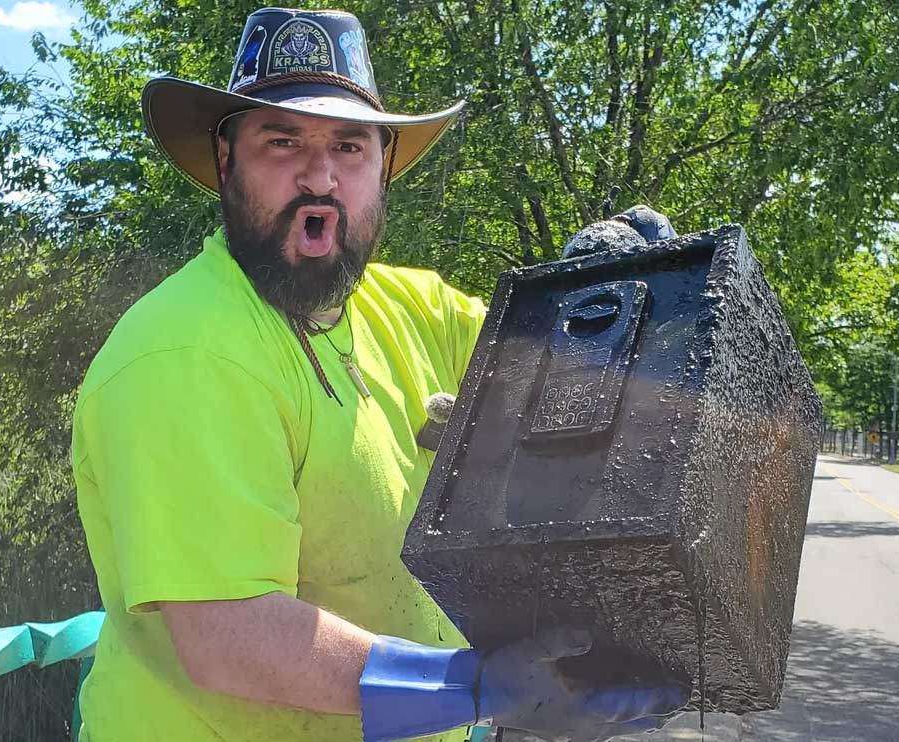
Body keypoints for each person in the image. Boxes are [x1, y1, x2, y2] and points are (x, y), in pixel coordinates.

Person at [71, 7, 686, 741]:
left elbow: (559, 379)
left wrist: (622, 296)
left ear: (384, 167)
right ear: (226, 160)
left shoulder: (411, 304)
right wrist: (473, 687)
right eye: (281, 140)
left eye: (350, 146)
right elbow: (227, 636)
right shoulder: (186, 353)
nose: (320, 176)